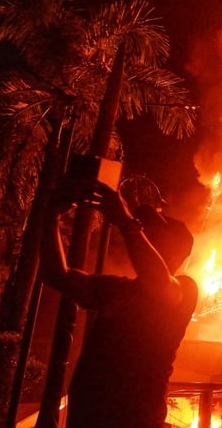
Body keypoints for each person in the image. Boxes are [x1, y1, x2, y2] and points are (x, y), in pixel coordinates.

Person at [41, 179, 199, 428]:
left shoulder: (184, 289)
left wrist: (127, 223)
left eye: (154, 230)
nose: (144, 231)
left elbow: (157, 281)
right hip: (86, 420)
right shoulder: (116, 288)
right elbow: (56, 274)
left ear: (175, 249)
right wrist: (50, 216)